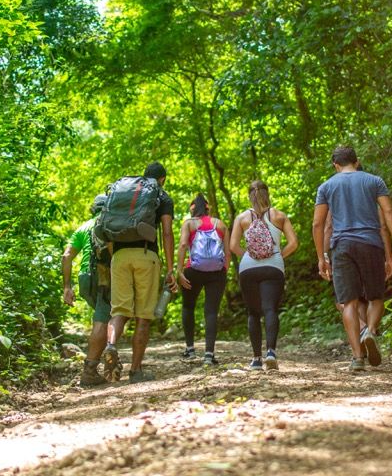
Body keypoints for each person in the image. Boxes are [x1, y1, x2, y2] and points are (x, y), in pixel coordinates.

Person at [312, 146, 392, 371]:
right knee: (376, 297)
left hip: (342, 247)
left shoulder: (326, 186)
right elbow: (389, 212)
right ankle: (369, 331)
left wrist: (321, 257)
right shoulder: (374, 181)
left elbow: (318, 223)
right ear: (357, 161)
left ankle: (357, 358)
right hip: (371, 243)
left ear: (335, 165)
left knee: (348, 302)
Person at [93, 162, 176, 384]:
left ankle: (111, 345)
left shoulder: (126, 194)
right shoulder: (162, 196)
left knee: (119, 311)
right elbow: (167, 233)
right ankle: (136, 371)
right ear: (162, 179)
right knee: (143, 316)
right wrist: (170, 269)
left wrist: (115, 258)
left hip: (119, 257)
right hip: (146, 255)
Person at [230, 180, 299, 370]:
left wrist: (250, 257)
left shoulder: (242, 218)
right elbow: (293, 243)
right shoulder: (279, 215)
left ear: (249, 196)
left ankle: (256, 359)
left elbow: (233, 246)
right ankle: (271, 353)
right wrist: (278, 255)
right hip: (273, 266)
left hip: (248, 268)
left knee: (253, 313)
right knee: (270, 309)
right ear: (267, 194)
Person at [62, 195, 112, 387]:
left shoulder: (83, 227)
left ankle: (104, 356)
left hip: (84, 279)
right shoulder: (110, 224)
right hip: (103, 276)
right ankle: (90, 370)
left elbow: (66, 256)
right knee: (102, 320)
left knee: (103, 317)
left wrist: (67, 287)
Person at [176, 194, 230, 366]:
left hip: (193, 271)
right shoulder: (220, 224)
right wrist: (224, 270)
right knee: (211, 312)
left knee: (188, 306)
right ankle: (209, 355)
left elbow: (183, 245)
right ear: (208, 208)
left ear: (192, 209)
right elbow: (227, 251)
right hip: (217, 272)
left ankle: (190, 350)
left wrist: (179, 271)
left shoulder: (189, 224)